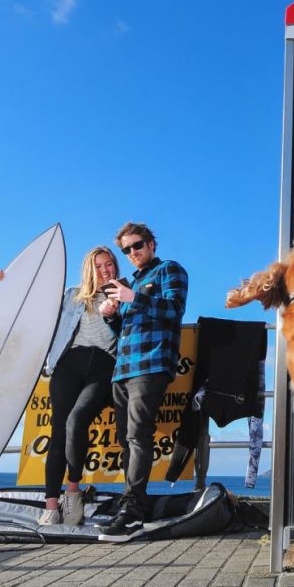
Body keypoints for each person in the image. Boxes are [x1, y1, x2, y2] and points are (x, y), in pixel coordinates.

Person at [0, 246, 121, 526]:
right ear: (89, 269)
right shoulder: (71, 295)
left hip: (104, 366)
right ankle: (51, 505)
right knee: (59, 432)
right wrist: (8, 284)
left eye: (109, 264)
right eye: (98, 266)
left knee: (78, 421)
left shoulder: (125, 294)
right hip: (68, 364)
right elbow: (35, 304)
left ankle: (73, 492)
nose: (105, 270)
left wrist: (116, 310)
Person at [96, 222, 188, 541]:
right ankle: (132, 505)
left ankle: (133, 511)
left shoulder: (169, 270)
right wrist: (111, 314)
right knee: (126, 439)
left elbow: (174, 310)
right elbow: (124, 330)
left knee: (138, 436)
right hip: (122, 368)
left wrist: (132, 297)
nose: (132, 253)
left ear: (151, 243)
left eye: (137, 246)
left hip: (151, 364)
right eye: (126, 250)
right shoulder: (131, 282)